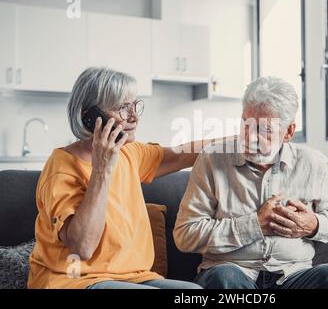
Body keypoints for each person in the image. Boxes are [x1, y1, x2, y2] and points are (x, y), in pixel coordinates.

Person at [174, 76, 328, 289]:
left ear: (288, 132)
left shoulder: (312, 162)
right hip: (233, 272)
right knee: (223, 278)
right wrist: (254, 225)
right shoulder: (212, 159)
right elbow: (185, 234)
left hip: (293, 275)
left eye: (264, 130)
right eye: (246, 124)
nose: (249, 137)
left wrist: (315, 225)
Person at [28, 67, 205, 289]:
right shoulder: (62, 166)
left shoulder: (130, 153)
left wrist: (239, 142)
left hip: (134, 277)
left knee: (193, 292)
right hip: (74, 281)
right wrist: (102, 170)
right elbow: (82, 247)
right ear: (90, 118)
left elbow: (183, 154)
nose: (134, 117)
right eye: (122, 108)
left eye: (135, 106)